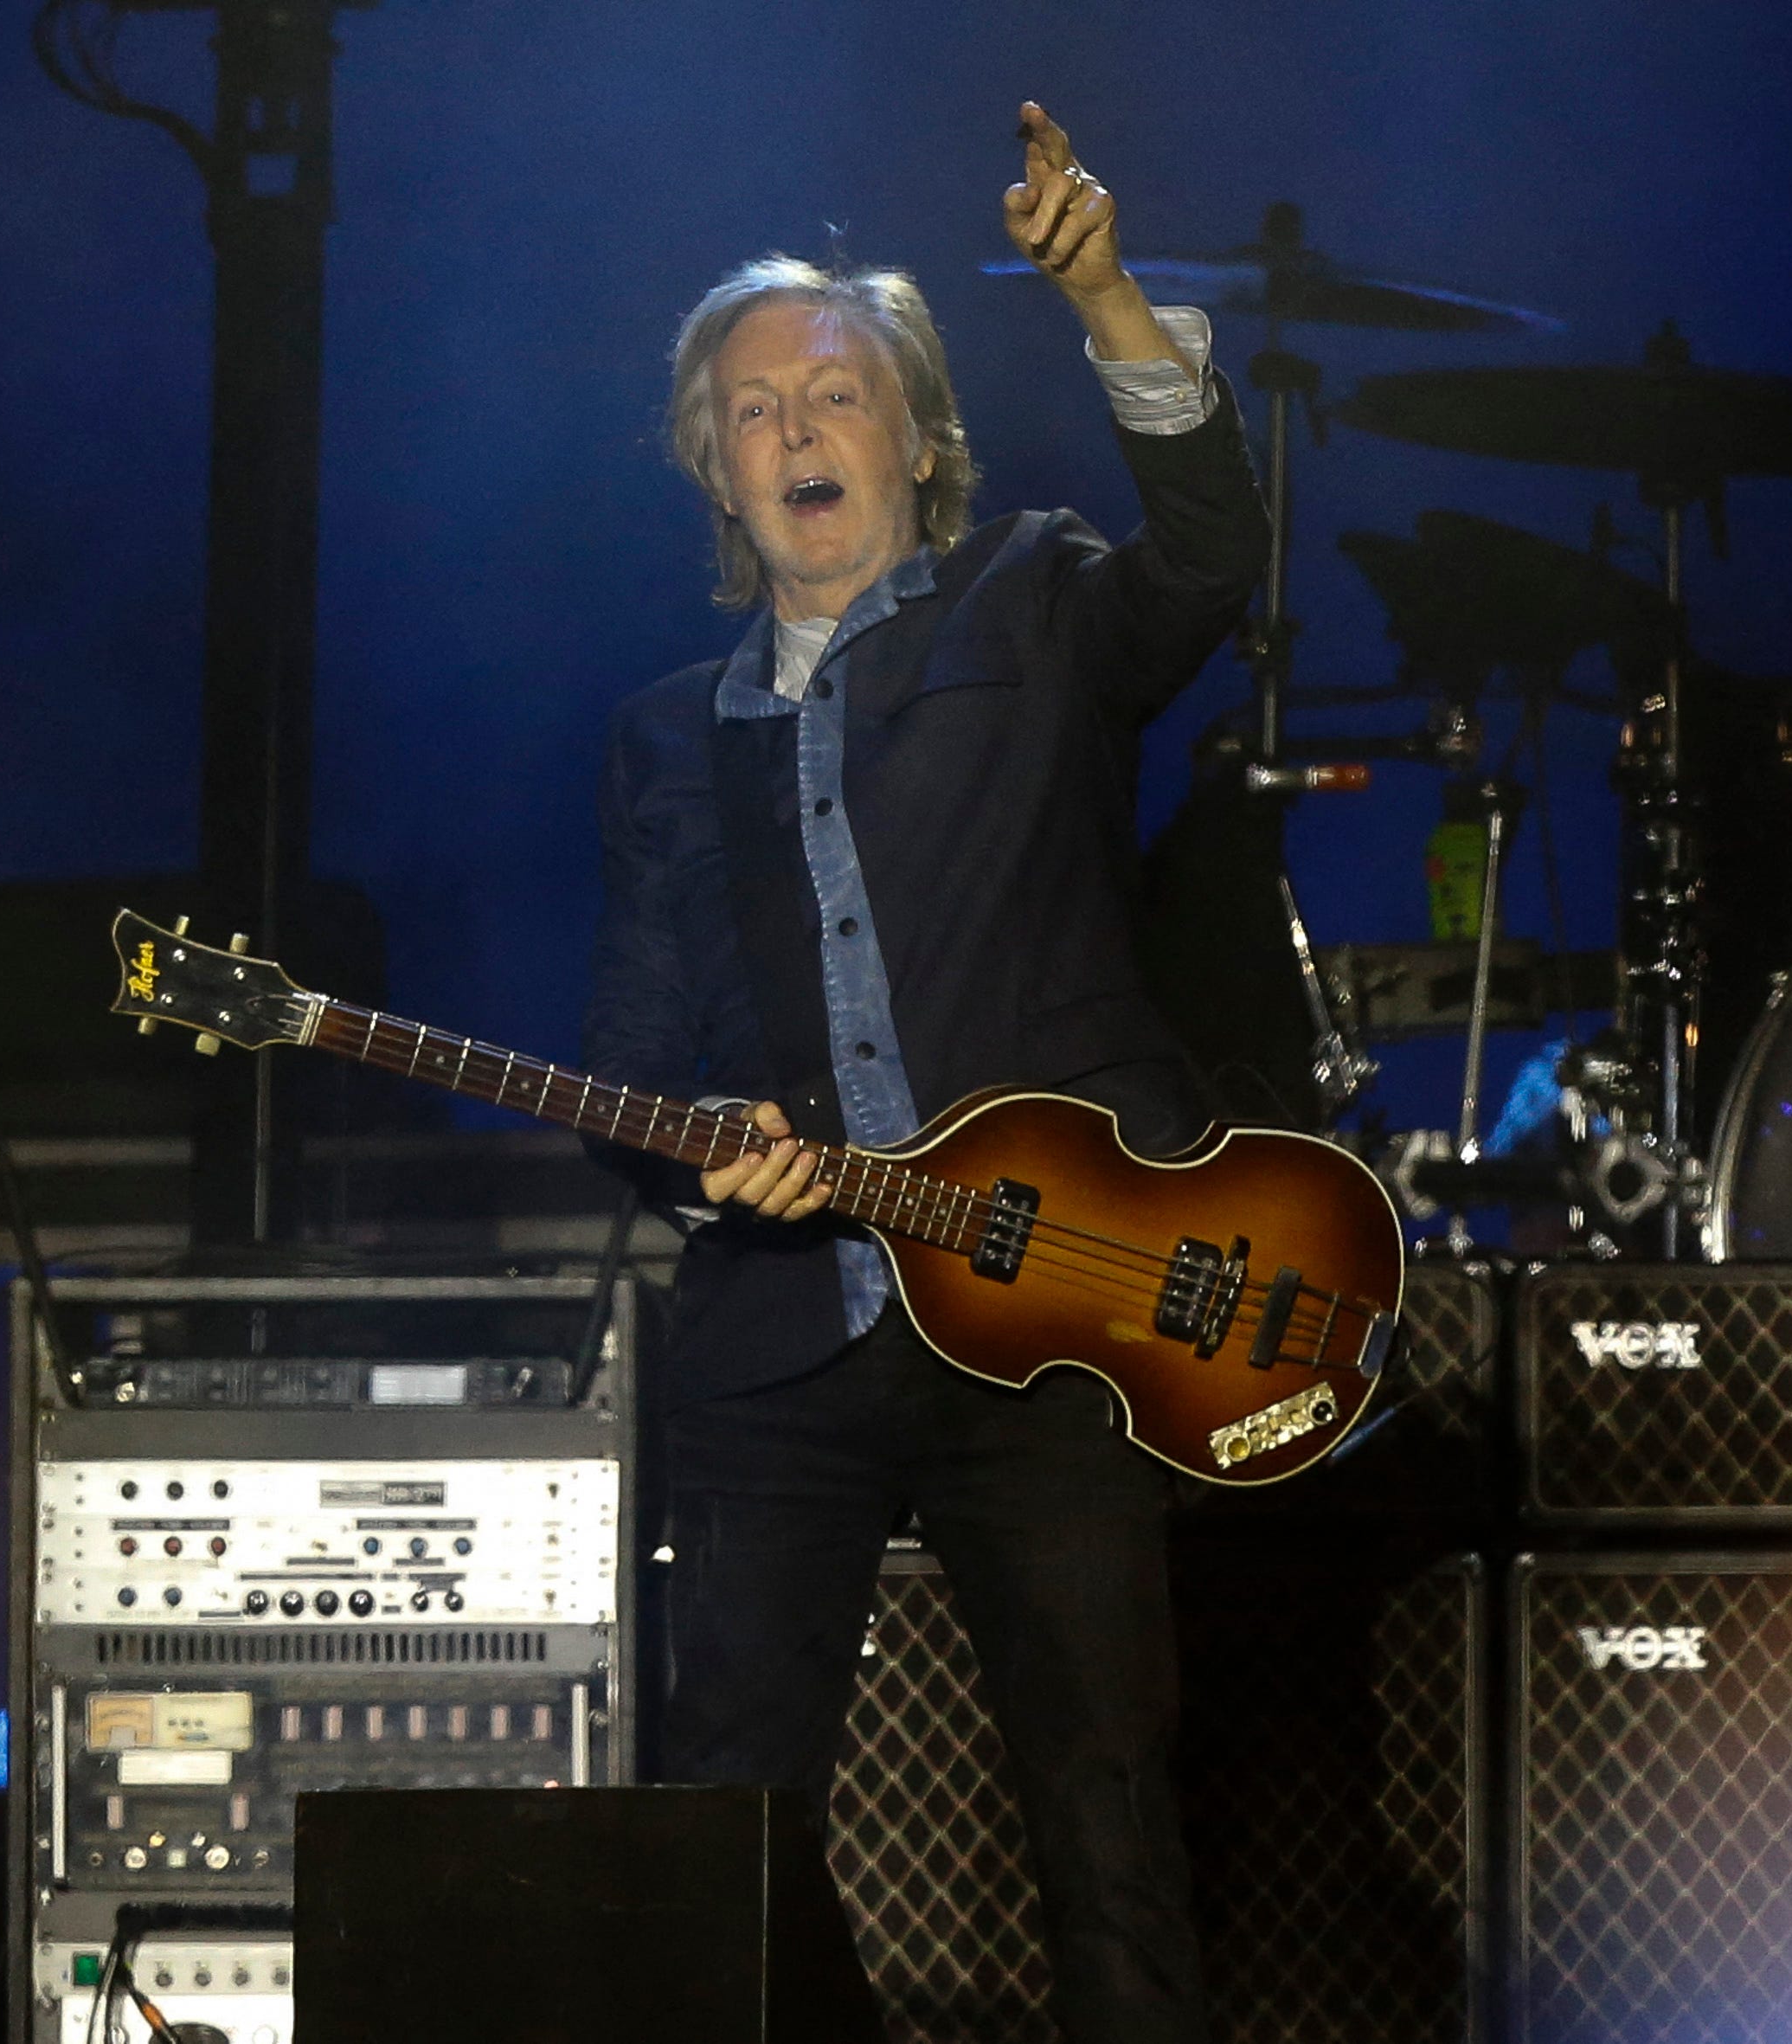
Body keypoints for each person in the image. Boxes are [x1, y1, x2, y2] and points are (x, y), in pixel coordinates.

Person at [578, 101, 1268, 2044]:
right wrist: (703, 1157)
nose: (794, 429)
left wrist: (1105, 295)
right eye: (752, 410)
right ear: (714, 470)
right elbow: (630, 1057)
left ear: (918, 442)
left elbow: (1211, 553)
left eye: (835, 394)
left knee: (1102, 1800)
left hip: (1050, 1316)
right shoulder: (661, 739)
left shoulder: (1031, 600)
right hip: (786, 1334)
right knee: (729, 1818)